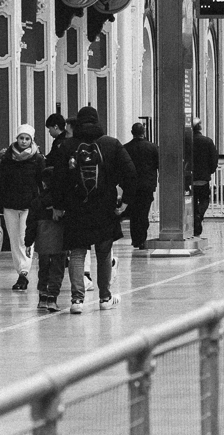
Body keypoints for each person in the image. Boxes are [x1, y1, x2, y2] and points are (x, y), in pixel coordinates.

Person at [52, 105, 135, 313]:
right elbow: (131, 174)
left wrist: (58, 206)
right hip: (105, 207)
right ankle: (105, 298)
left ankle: (77, 301)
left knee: (77, 253)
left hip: (76, 208)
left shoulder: (67, 146)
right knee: (104, 252)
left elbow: (57, 179)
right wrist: (125, 202)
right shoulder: (111, 144)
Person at [0, 125, 46, 291]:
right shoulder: (7, 158)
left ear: (32, 140)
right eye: (21, 138)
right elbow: (2, 183)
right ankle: (20, 271)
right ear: (16, 138)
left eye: (27, 139)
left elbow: (41, 183)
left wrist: (42, 203)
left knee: (25, 238)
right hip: (10, 204)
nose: (24, 141)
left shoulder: (38, 159)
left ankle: (24, 272)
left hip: (29, 205)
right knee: (14, 240)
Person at [25, 167, 66, 313]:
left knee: (43, 268)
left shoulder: (37, 201)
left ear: (43, 183)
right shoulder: (62, 201)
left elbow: (31, 224)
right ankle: (52, 298)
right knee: (57, 268)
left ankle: (42, 296)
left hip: (42, 239)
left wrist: (28, 242)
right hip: (59, 239)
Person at [123, 122, 158, 250]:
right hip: (147, 185)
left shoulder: (126, 148)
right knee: (143, 212)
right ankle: (142, 238)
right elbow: (158, 165)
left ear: (132, 133)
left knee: (134, 213)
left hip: (131, 185)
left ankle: (136, 239)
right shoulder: (152, 147)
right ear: (144, 132)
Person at [191, 118, 219, 237]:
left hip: (189, 178)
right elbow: (214, 159)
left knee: (192, 201)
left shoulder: (185, 142)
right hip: (203, 177)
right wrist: (210, 171)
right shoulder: (207, 141)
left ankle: (195, 220)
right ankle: (200, 215)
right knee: (204, 200)